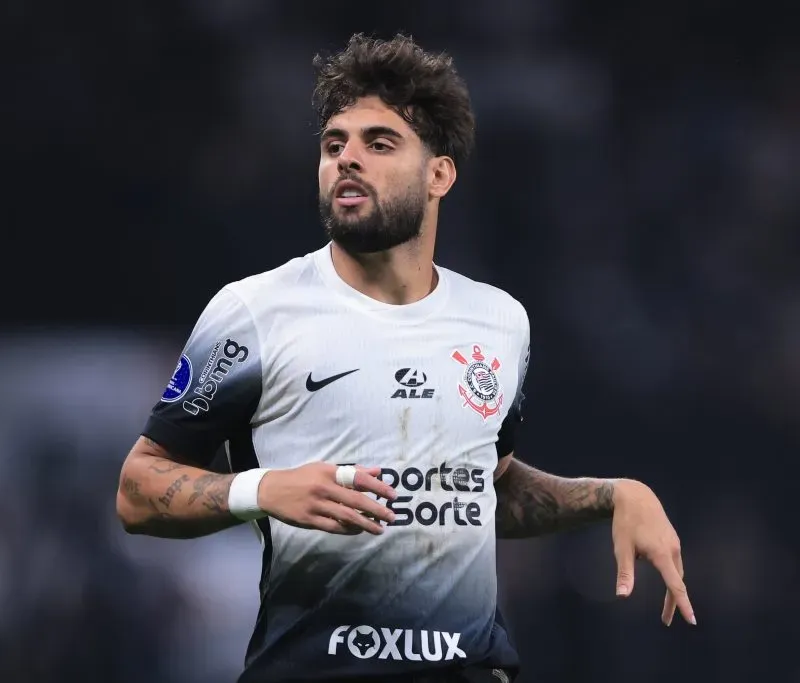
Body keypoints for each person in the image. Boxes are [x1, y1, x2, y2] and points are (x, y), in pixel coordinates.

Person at [117, 33, 694, 683]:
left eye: (379, 143)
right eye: (335, 144)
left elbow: (486, 485)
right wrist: (264, 489)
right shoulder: (254, 313)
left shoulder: (499, 321)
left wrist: (613, 495)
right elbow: (139, 489)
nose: (347, 160)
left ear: (439, 173)